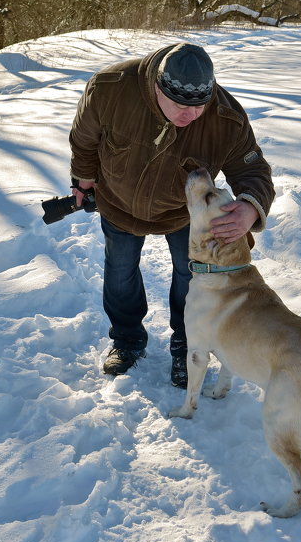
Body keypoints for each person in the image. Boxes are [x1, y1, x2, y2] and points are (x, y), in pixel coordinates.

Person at [68, 42, 275, 387]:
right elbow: (85, 138)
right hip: (118, 202)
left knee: (190, 277)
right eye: (180, 105)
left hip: (183, 214)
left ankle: (187, 345)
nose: (191, 115)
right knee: (120, 272)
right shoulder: (111, 88)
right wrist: (83, 177)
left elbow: (254, 171)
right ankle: (127, 340)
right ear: (156, 87)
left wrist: (251, 207)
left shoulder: (226, 118)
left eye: (199, 105)